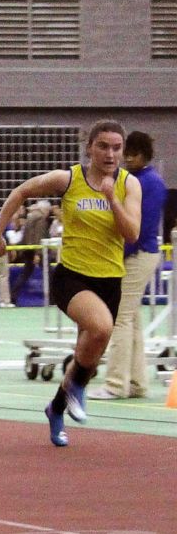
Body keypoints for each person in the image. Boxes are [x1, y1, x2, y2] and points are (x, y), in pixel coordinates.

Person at [0, 119, 141, 447]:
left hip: (110, 280)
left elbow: (131, 233)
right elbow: (22, 191)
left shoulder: (129, 185)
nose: (110, 154)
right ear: (89, 147)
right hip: (72, 277)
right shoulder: (69, 178)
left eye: (117, 148)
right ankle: (77, 388)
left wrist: (112, 199)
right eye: (103, 146)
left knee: (87, 352)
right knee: (100, 328)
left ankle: (56, 408)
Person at [90, 131, 168, 400]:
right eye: (128, 153)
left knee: (119, 319)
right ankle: (136, 383)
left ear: (144, 155)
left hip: (138, 253)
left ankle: (114, 384)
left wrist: (117, 255)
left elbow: (140, 226)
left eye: (133, 154)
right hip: (136, 253)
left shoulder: (149, 182)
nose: (127, 158)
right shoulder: (138, 179)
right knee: (131, 319)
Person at [9, 200, 51, 306]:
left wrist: (19, 248)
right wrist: (38, 253)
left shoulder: (30, 217)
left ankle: (13, 296)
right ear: (45, 209)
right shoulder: (40, 218)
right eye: (48, 211)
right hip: (37, 250)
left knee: (25, 274)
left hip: (28, 249)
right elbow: (38, 235)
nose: (48, 213)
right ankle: (53, 299)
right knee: (50, 274)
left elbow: (26, 235)